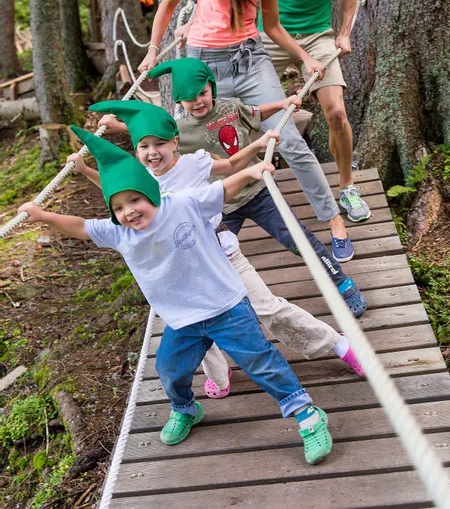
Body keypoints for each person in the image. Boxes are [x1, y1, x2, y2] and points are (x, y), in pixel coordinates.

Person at [19, 127, 333, 465]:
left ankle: (306, 413)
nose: (130, 211)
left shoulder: (182, 204)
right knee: (169, 368)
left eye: (135, 200)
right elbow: (81, 226)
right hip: (183, 319)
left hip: (226, 306)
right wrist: (42, 216)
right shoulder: (119, 233)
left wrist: (250, 172)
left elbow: (222, 189)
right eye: (119, 207)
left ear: (151, 193)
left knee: (259, 361)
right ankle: (185, 409)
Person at [73, 99, 365, 398]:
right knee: (195, 324)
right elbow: (115, 190)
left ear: (174, 142)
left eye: (159, 144)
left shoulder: (193, 163)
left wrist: (257, 147)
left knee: (267, 308)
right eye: (143, 146)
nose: (152, 152)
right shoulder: (139, 179)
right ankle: (219, 374)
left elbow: (230, 166)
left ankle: (337, 344)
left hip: (223, 255)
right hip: (184, 269)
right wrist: (84, 169)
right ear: (135, 150)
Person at [137, 0, 355, 264]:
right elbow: (169, 3)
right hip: (204, 68)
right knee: (194, 149)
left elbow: (272, 24)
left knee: (289, 139)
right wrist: (153, 51)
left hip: (251, 59)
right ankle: (193, 236)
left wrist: (305, 57)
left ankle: (333, 219)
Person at [101, 57, 367, 317]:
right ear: (179, 101)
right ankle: (218, 310)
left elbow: (257, 113)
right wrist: (118, 127)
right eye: (189, 98)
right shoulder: (179, 130)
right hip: (221, 205)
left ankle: (341, 283)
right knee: (211, 256)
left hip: (257, 191)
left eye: (202, 93)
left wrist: (282, 104)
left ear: (212, 88)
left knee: (299, 239)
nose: (198, 101)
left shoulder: (231, 107)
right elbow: (153, 137)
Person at [258, 0, 370, 227]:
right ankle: (247, 190)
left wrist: (344, 32)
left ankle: (348, 187)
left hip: (318, 35)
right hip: (270, 33)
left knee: (336, 113)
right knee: (248, 112)